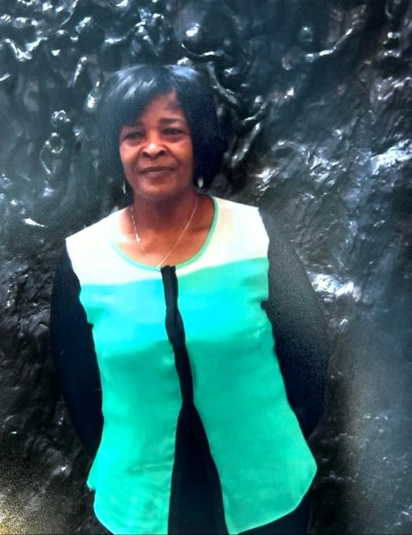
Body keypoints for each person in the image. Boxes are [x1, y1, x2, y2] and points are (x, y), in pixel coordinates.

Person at [50, 63, 329, 535]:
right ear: (116, 149)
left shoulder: (255, 235)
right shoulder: (82, 258)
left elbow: (308, 357)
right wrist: (124, 457)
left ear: (197, 140)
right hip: (142, 499)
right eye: (134, 135)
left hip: (267, 491)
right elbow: (79, 387)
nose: (152, 147)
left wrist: (271, 443)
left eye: (172, 131)